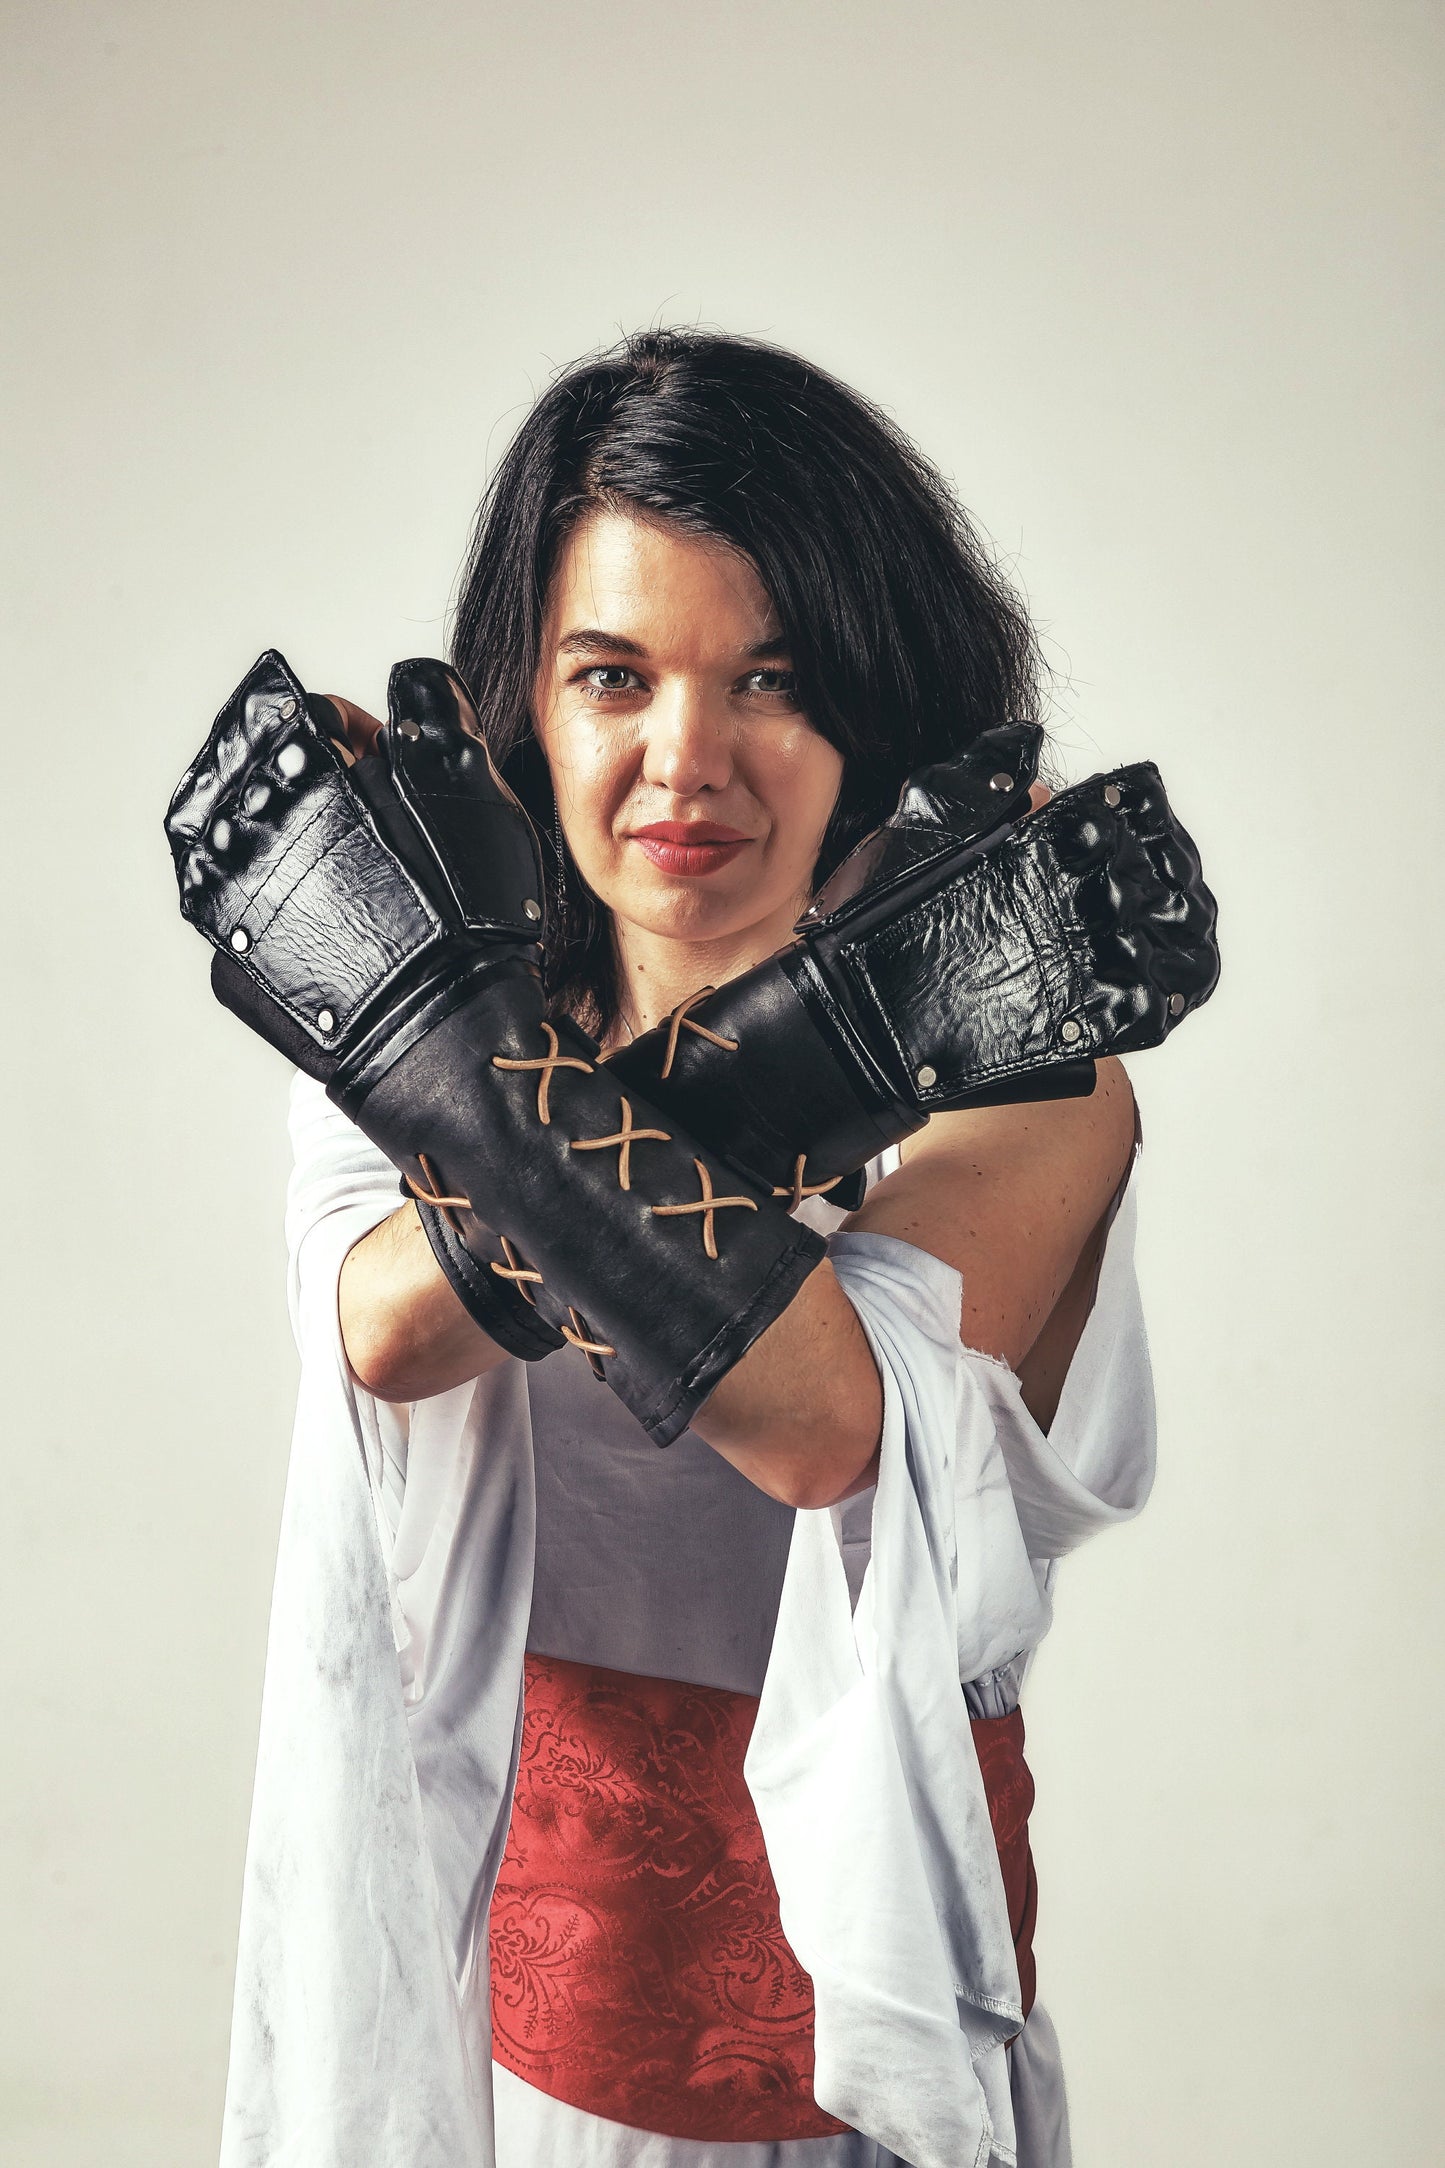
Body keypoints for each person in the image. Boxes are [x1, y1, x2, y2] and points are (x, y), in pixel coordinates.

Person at [166, 330, 1215, 2168]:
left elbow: (822, 1420)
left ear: (876, 712)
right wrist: (806, 1038)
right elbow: (391, 1332)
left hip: (864, 2087)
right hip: (498, 2068)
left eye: (775, 681)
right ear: (527, 708)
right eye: (610, 675)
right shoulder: (423, 1044)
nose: (686, 759)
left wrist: (436, 1048)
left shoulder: (1029, 1093)